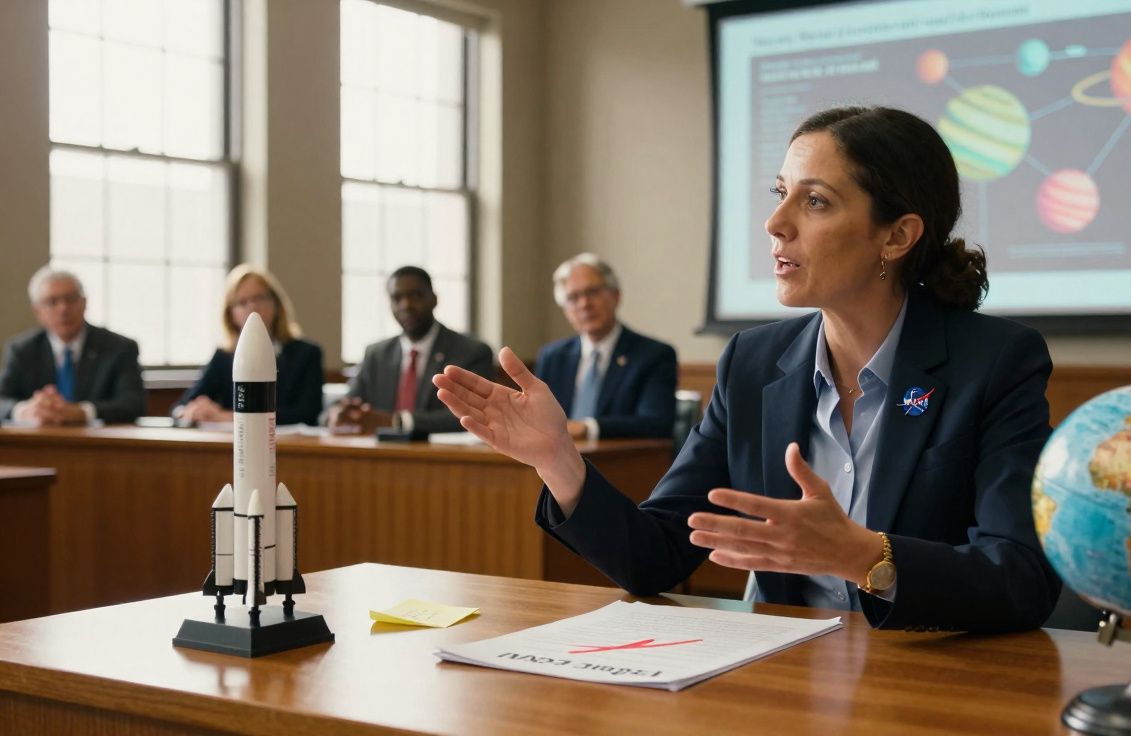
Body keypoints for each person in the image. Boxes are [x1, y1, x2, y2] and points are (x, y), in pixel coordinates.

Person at [434, 106, 1060, 632]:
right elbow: (656, 559)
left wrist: (866, 556)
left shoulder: (996, 362)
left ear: (896, 236)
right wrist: (560, 462)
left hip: (925, 690)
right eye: (780, 193)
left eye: (814, 201)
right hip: (778, 685)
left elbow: (1020, 580)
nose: (775, 223)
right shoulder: (753, 363)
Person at [327, 266, 493, 435]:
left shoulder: (471, 352)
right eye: (397, 298)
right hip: (380, 455)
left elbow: (472, 415)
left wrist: (397, 422)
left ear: (434, 299)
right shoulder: (376, 354)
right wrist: (337, 414)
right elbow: (345, 403)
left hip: (443, 457)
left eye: (415, 295)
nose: (406, 305)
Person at [536, 253, 677, 440]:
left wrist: (587, 428)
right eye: (573, 297)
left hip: (621, 464)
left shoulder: (654, 355)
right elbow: (539, 421)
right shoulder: (552, 356)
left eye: (593, 292)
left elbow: (656, 422)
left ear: (616, 296)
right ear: (565, 310)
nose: (584, 304)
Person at [173, 265, 324, 426]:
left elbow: (308, 413)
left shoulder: (306, 354)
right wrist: (191, 412)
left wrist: (227, 416)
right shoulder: (224, 355)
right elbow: (181, 407)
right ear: (230, 314)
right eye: (242, 302)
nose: (252, 307)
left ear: (276, 304)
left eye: (259, 298)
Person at [0, 266, 145, 425]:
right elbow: (3, 401)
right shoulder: (22, 350)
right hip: (38, 444)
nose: (63, 309)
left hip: (99, 445)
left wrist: (83, 412)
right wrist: (25, 410)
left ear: (84, 303)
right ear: (38, 311)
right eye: (52, 302)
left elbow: (133, 404)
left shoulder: (120, 348)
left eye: (70, 299)